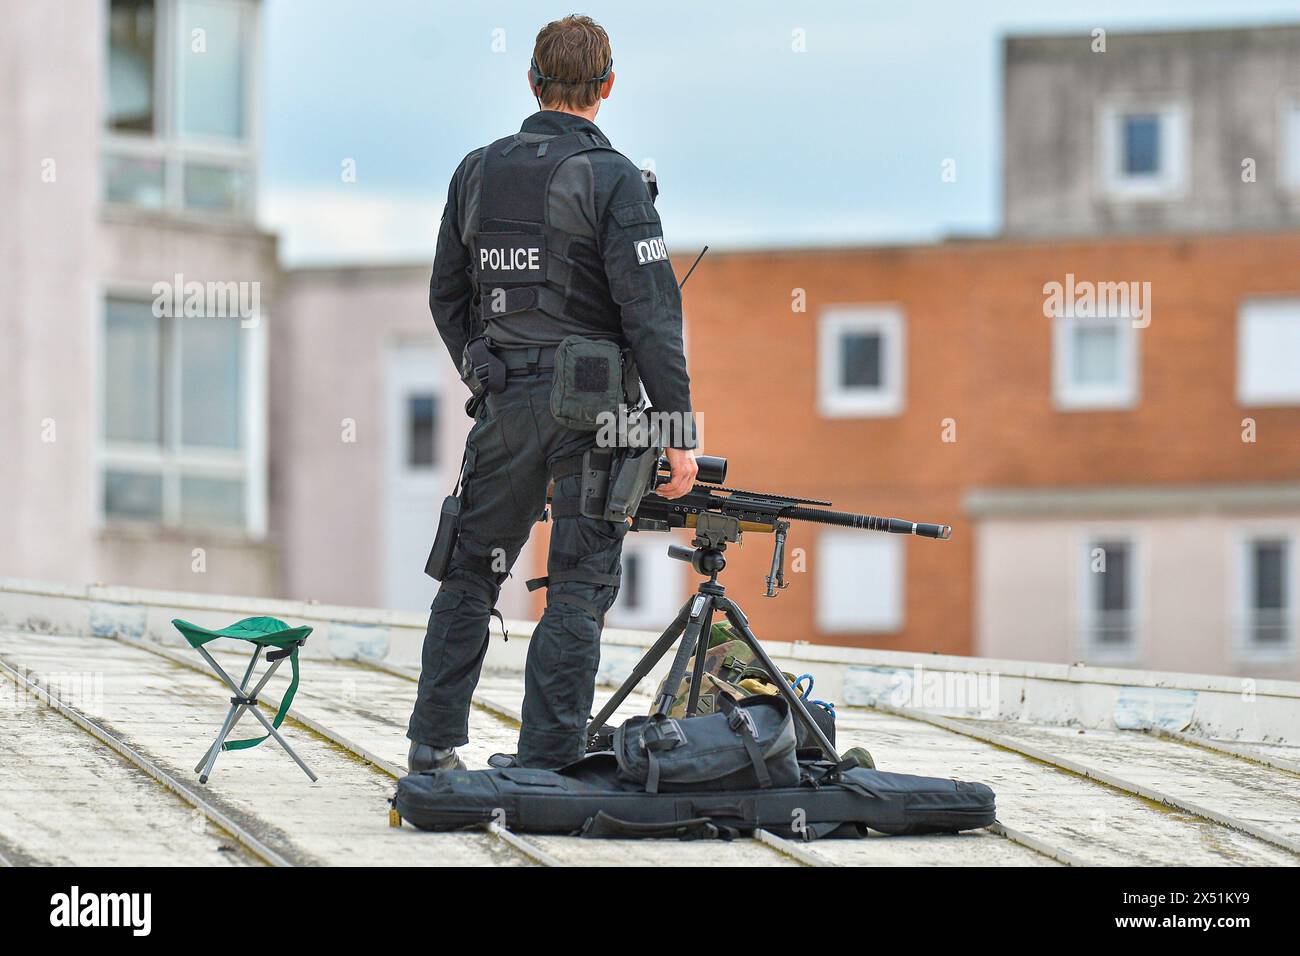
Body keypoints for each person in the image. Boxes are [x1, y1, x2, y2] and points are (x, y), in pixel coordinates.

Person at [406, 14, 698, 772]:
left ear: (532, 82)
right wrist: (679, 435)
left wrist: (484, 371)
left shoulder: (475, 171)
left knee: (472, 568)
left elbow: (446, 295)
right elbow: (653, 316)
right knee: (579, 580)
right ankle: (547, 762)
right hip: (597, 415)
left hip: (504, 405)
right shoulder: (614, 179)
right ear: (607, 87)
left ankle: (432, 748)